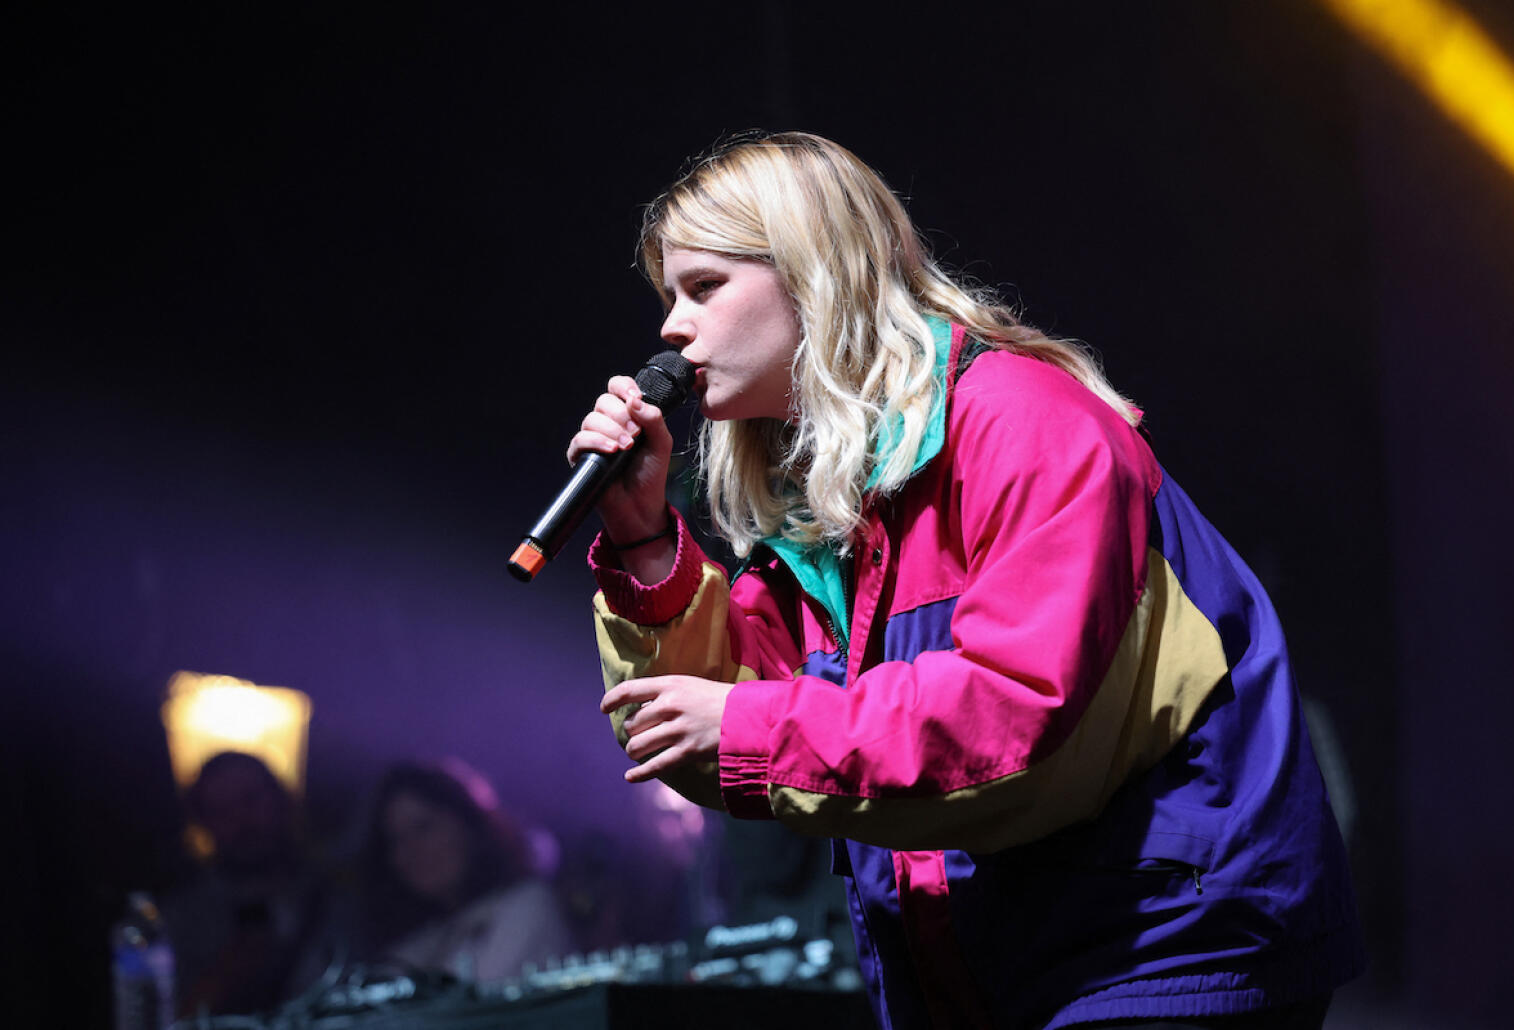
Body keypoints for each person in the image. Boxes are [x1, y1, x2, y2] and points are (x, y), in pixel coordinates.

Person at [567, 131, 1363, 1029]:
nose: (670, 326)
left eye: (704, 286)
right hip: (992, 968)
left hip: (1164, 944)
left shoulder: (1022, 421)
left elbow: (1017, 705)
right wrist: (642, 544)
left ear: (814, 271)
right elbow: (709, 730)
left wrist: (744, 725)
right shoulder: (824, 499)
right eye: (668, 295)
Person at [356, 759, 572, 982]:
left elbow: (475, 1000)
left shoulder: (529, 905)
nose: (411, 850)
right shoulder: (418, 944)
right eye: (396, 840)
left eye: (423, 827)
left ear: (467, 824)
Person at [162, 751, 328, 1017]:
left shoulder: (338, 893)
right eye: (220, 809)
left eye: (250, 798)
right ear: (203, 822)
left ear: (280, 799)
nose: (241, 819)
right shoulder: (179, 920)